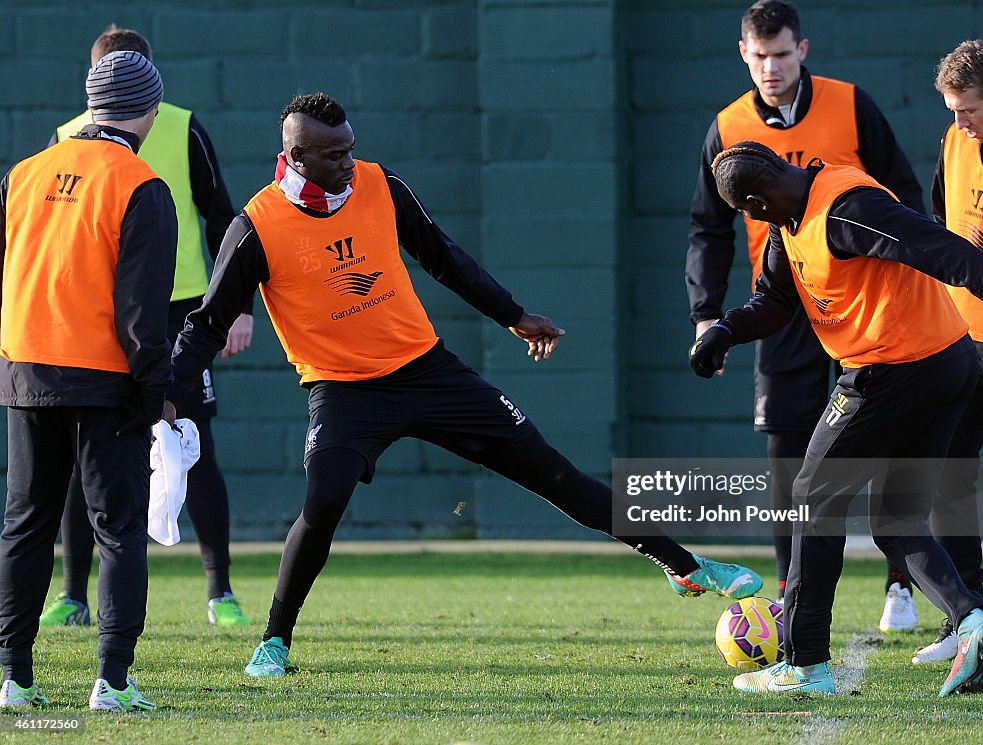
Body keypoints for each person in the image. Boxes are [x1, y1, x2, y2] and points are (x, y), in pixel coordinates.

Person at [165, 92, 765, 677]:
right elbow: (207, 324)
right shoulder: (256, 225)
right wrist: (169, 390)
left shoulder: (381, 184)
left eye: (351, 148)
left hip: (428, 371)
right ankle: (274, 641)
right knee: (321, 504)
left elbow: (444, 257)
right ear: (295, 158)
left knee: (552, 471)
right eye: (333, 155)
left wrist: (513, 314)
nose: (349, 162)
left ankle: (683, 564)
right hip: (343, 390)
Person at [689, 141, 983, 696]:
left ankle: (806, 664)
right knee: (896, 518)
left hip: (892, 372)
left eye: (746, 213)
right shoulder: (789, 215)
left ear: (754, 201)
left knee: (814, 499)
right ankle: (972, 622)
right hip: (942, 364)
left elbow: (943, 250)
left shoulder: (847, 207)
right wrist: (724, 330)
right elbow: (774, 300)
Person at [685, 0, 923, 631]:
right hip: (786, 307)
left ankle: (900, 578)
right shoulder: (727, 126)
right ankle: (793, 594)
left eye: (782, 54)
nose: (770, 67)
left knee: (881, 443)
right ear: (744, 54)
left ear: (803, 51)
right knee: (789, 455)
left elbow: (905, 194)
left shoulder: (852, 105)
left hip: (862, 298)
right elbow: (709, 231)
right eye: (759, 56)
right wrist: (707, 315)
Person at [39, 25, 252, 629]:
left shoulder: (182, 127)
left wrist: (238, 308)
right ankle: (73, 595)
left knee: (192, 442)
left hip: (182, 311)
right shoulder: (64, 139)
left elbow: (222, 218)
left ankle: (220, 592)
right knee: (88, 454)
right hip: (98, 313)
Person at [0, 51, 174, 711]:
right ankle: (114, 681)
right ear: (149, 111)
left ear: (91, 103)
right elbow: (141, 309)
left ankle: (14, 678)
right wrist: (153, 389)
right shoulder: (138, 182)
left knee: (24, 524)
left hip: (24, 369)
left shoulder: (23, 172)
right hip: (104, 379)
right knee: (119, 528)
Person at [910, 40, 983, 665]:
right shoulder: (956, 142)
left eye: (968, 110)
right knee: (945, 480)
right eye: (951, 110)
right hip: (959, 340)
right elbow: (940, 216)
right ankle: (968, 617)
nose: (958, 123)